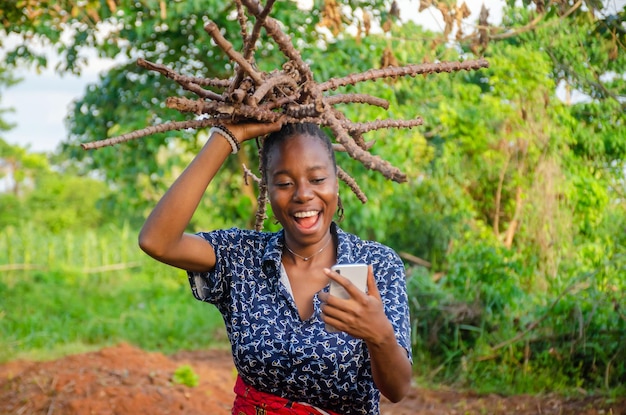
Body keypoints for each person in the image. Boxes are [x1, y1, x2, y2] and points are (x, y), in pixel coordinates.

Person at [138, 121, 413, 415]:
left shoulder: (373, 264)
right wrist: (228, 136)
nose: (303, 194)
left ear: (337, 183)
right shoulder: (242, 256)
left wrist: (379, 334)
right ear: (267, 190)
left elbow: (396, 390)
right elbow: (157, 241)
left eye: (318, 179)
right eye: (284, 183)